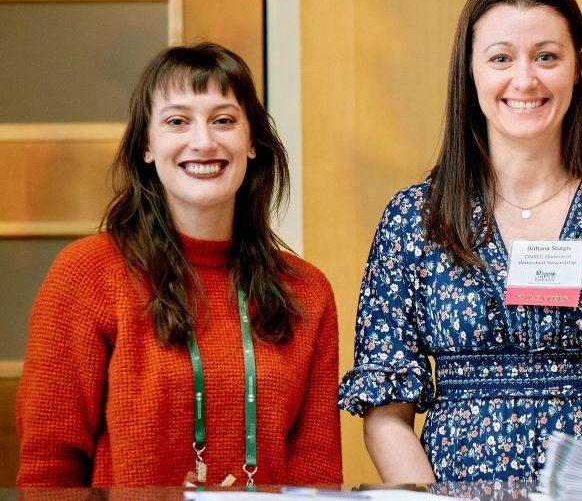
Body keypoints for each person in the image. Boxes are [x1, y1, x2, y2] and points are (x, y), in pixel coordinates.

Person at [339, 0, 582, 484]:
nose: (525, 80)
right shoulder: (415, 218)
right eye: (500, 58)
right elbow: (385, 407)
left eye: (546, 56)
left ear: (578, 65)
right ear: (470, 70)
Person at [17, 43, 342, 487]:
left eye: (224, 120)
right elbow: (48, 470)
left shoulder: (307, 291)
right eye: (177, 121)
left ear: (251, 143)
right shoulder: (87, 275)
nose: (203, 141)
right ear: (147, 147)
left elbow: (316, 477)